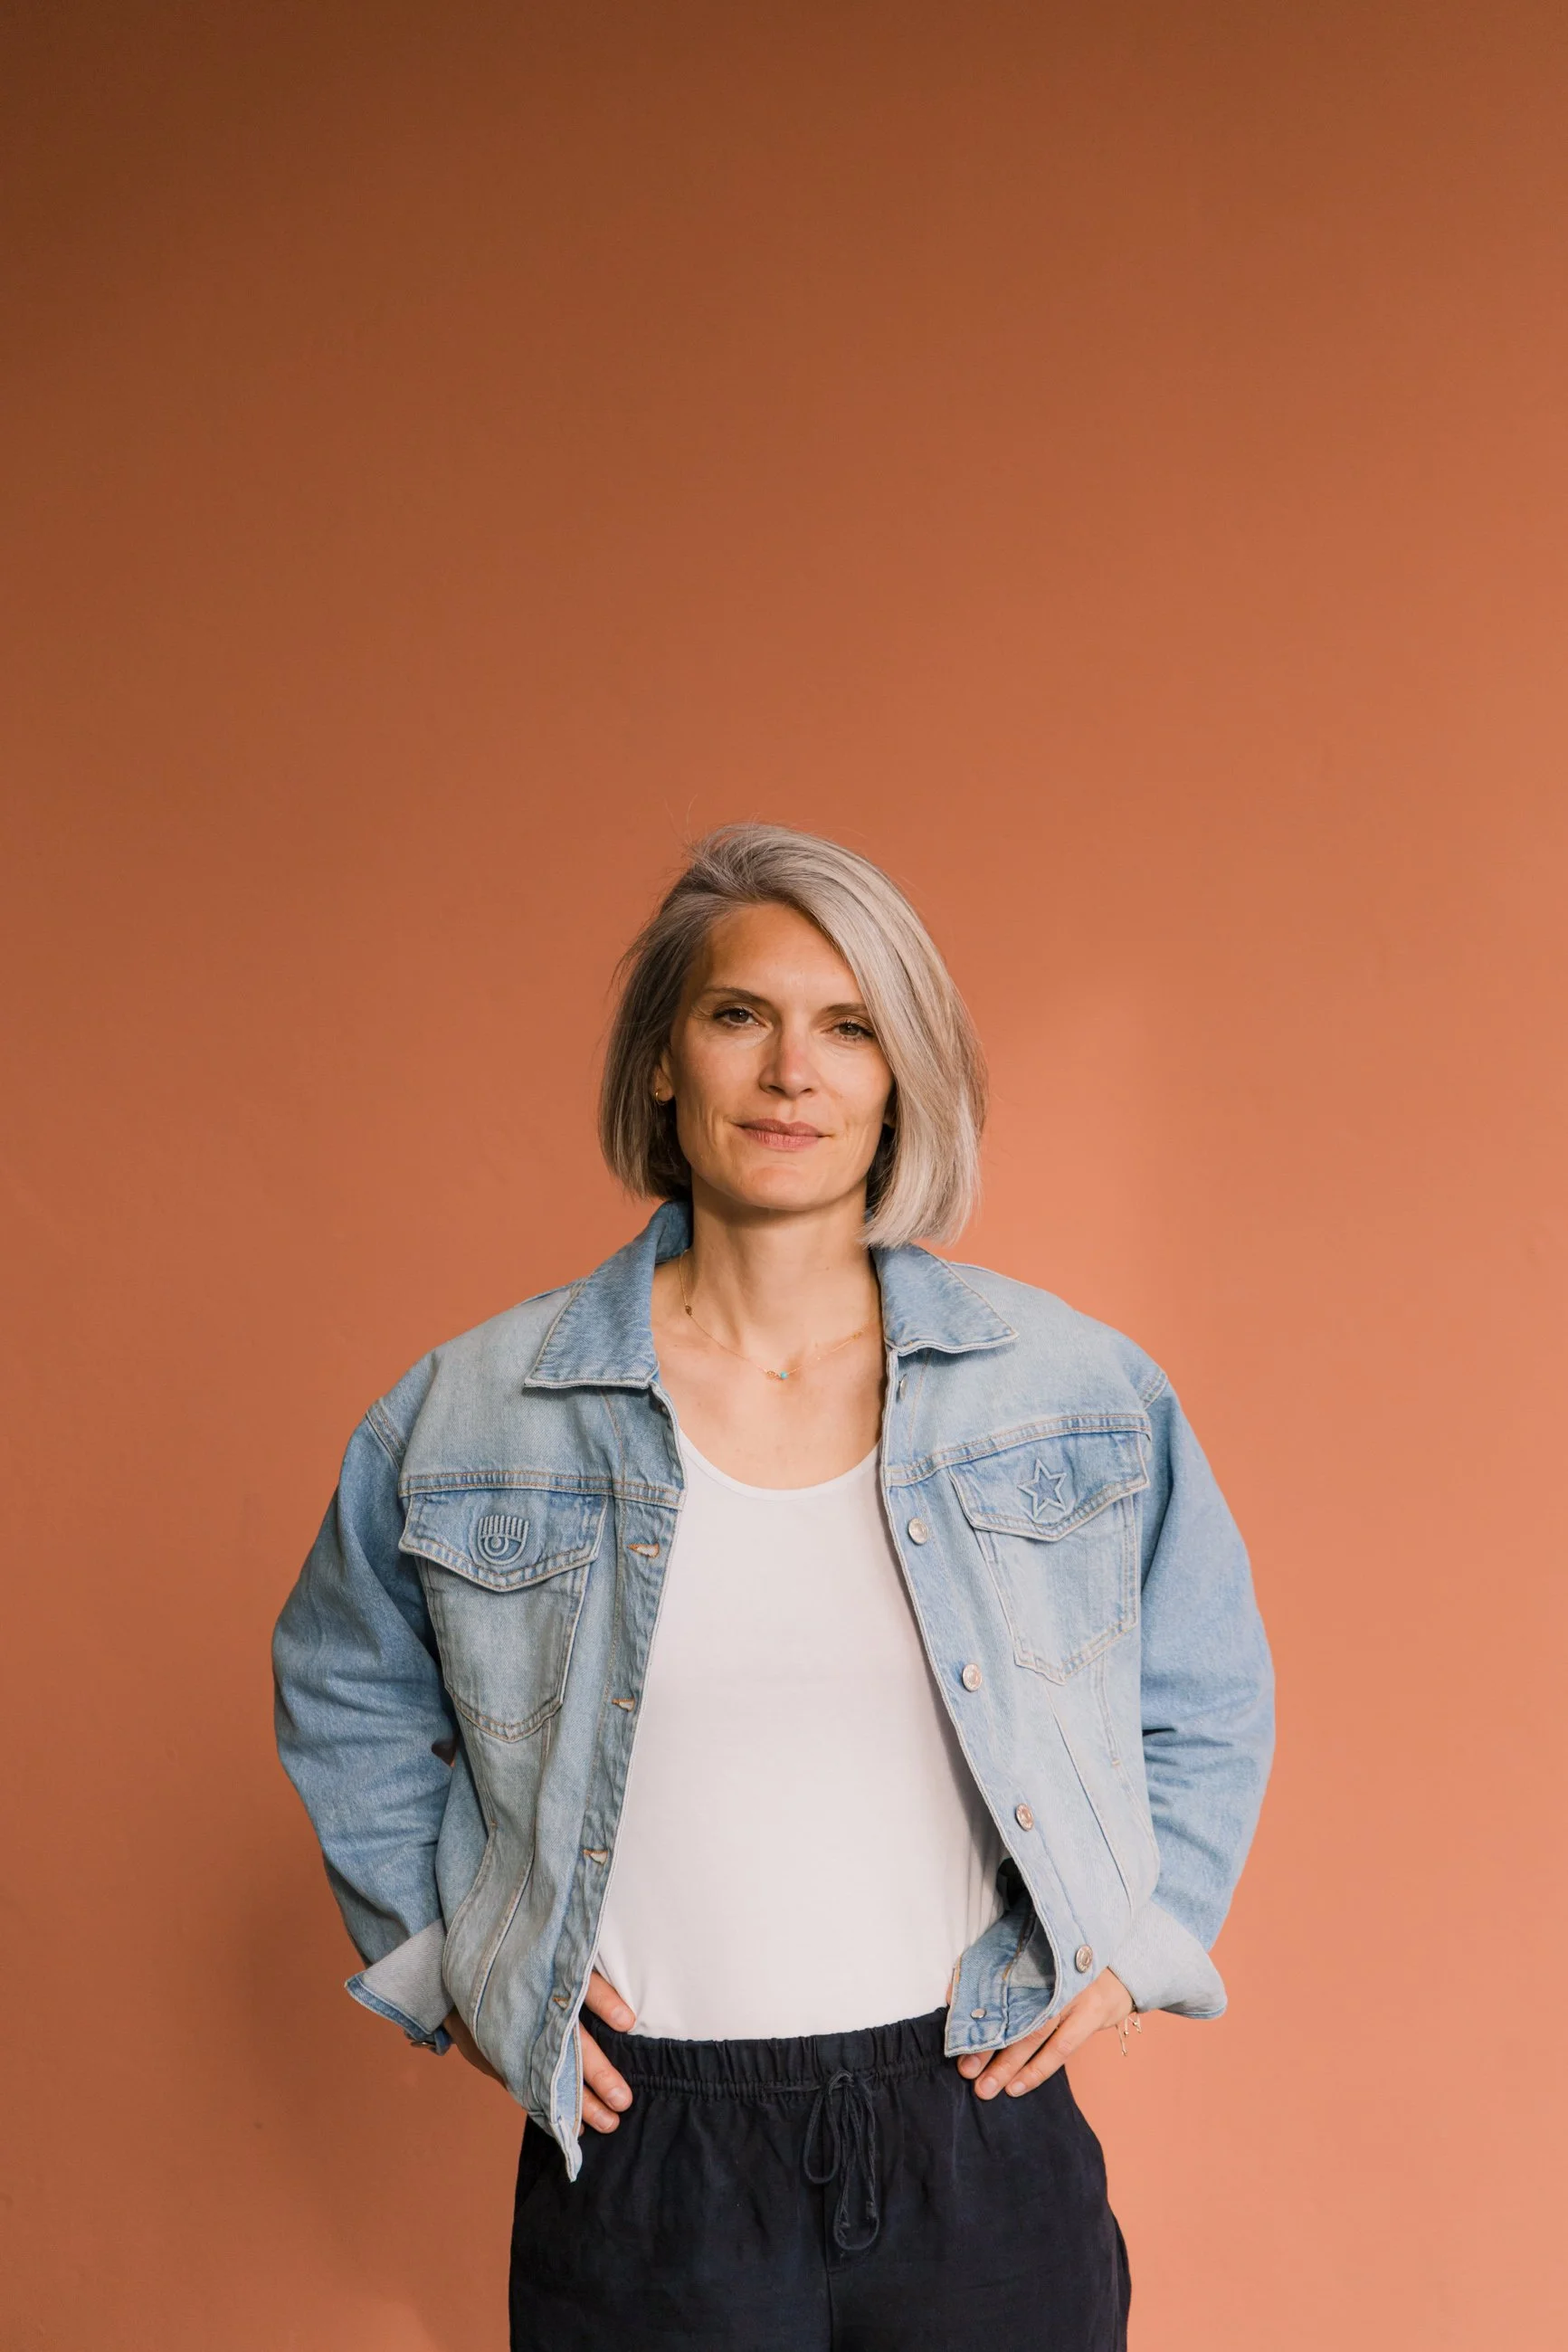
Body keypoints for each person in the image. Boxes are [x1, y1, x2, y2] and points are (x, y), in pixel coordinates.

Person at [272, 823, 1274, 2351]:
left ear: (900, 1077)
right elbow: (343, 1683)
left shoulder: (1070, 1393)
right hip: (647, 2160)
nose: (792, 1071)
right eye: (741, 1014)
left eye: (849, 1026)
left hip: (975, 2128)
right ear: (662, 1064)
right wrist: (453, 1969)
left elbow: (1207, 1685)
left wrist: (1142, 1948)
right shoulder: (475, 1412)